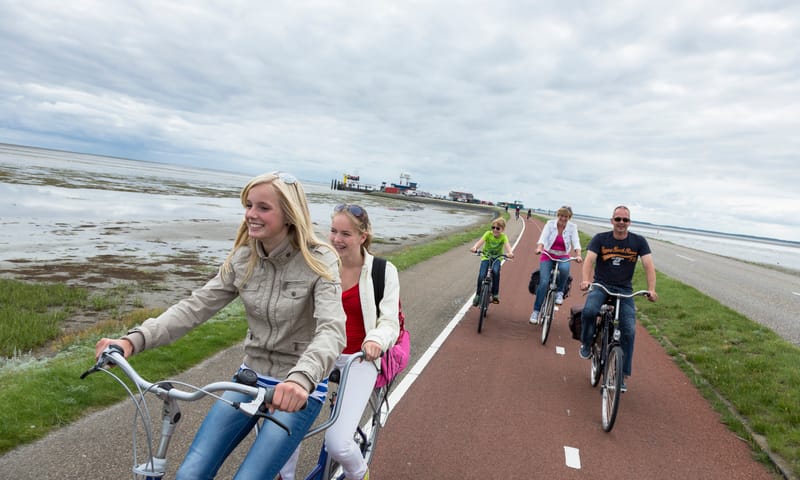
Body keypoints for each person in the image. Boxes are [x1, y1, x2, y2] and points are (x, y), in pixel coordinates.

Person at [94, 171, 346, 480]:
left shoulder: (319, 260)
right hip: (249, 379)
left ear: (289, 215)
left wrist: (301, 380)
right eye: (249, 205)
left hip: (298, 387)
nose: (251, 214)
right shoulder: (243, 259)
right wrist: (134, 340)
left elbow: (331, 330)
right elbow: (194, 307)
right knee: (190, 473)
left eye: (263, 208)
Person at [279, 204, 400, 480]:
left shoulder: (383, 271)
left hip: (361, 357)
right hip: (322, 352)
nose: (336, 239)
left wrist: (376, 341)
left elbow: (389, 321)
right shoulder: (319, 264)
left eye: (345, 233)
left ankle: (360, 474)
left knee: (338, 443)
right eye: (333, 231)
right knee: (284, 428)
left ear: (363, 236)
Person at [578, 205, 658, 392]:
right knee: (589, 311)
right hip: (601, 285)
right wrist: (585, 280)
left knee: (629, 330)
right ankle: (587, 342)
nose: (621, 223)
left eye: (625, 220)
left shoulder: (639, 242)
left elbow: (648, 265)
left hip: (624, 289)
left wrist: (651, 289)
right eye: (618, 219)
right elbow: (589, 260)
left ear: (629, 222)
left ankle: (622, 375)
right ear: (612, 220)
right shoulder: (600, 239)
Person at [529, 206, 582, 324]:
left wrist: (578, 254)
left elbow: (576, 241)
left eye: (566, 216)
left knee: (564, 269)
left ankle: (560, 292)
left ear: (569, 218)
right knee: (543, 282)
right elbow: (543, 237)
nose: (563, 218)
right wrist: (539, 248)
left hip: (563, 255)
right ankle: (536, 311)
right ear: (558, 215)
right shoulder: (550, 224)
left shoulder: (572, 227)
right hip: (548, 254)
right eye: (561, 215)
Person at [470, 217, 514, 305]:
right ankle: (478, 295)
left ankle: (495, 294)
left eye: (498, 228)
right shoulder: (488, 234)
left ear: (502, 229)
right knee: (482, 275)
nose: (495, 230)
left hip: (497, 258)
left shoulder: (503, 237)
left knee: (496, 271)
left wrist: (510, 253)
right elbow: (480, 242)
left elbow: (508, 246)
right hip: (486, 256)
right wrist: (475, 248)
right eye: (493, 227)